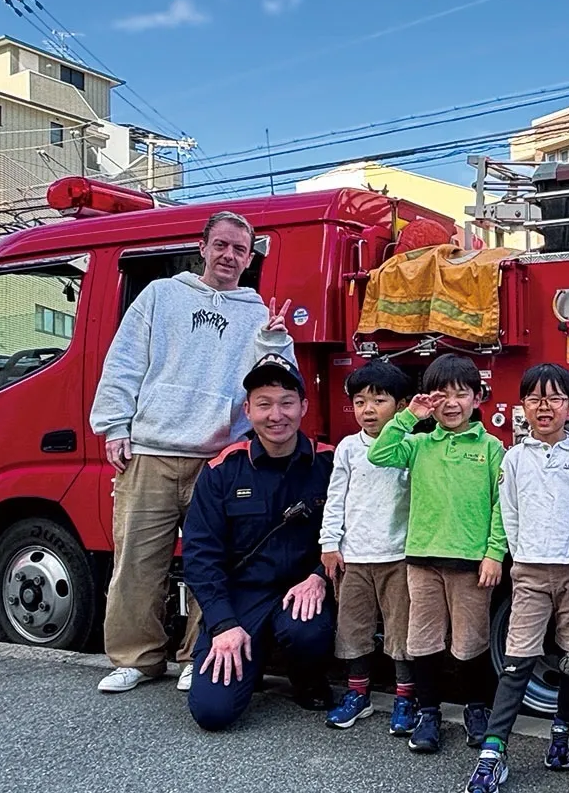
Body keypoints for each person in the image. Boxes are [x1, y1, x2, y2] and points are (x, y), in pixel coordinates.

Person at [90, 210, 295, 695]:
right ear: (202, 247)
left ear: (250, 258)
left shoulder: (255, 311)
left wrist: (274, 340)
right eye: (221, 245)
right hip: (150, 450)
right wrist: (115, 426)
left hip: (219, 458)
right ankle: (135, 659)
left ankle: (197, 653)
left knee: (216, 562)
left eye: (239, 250)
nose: (229, 256)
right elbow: (123, 362)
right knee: (138, 561)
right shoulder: (161, 296)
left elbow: (276, 386)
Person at [464, 363, 569, 793]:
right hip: (528, 572)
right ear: (522, 406)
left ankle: (563, 730)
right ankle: (493, 752)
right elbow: (508, 512)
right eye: (534, 398)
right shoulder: (514, 457)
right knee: (518, 659)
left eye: (554, 398)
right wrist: (519, 554)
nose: (544, 407)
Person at [182, 354, 335, 731]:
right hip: (242, 598)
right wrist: (222, 625)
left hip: (302, 591)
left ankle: (306, 681)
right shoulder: (222, 470)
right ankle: (252, 654)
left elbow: (351, 530)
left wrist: (319, 575)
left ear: (304, 406)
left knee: (307, 630)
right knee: (212, 713)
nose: (276, 415)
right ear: (248, 410)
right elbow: (201, 556)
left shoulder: (329, 464)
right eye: (264, 404)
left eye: (286, 403)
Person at [368, 354, 506, 754]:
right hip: (423, 560)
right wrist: (409, 416)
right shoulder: (418, 444)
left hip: (471, 564)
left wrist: (494, 553)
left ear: (477, 398)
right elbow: (379, 454)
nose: (450, 403)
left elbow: (502, 505)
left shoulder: (491, 448)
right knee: (423, 641)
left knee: (470, 643)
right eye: (441, 394)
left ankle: (476, 709)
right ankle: (428, 713)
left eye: (461, 394)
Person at [320, 360, 416, 736]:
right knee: (353, 629)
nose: (368, 410)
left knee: (402, 631)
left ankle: (405, 698)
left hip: (399, 555)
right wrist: (330, 543)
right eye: (360, 402)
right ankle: (358, 694)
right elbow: (335, 497)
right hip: (354, 556)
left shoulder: (411, 446)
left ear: (402, 405)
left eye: (379, 400)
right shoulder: (347, 448)